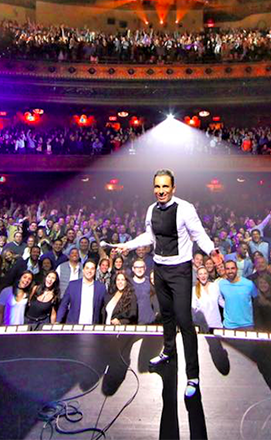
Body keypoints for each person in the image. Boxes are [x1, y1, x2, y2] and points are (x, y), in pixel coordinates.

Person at [112, 169, 221, 398]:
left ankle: (193, 375)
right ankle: (168, 352)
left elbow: (199, 234)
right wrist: (129, 245)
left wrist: (212, 250)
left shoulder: (185, 208)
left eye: (165, 187)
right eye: (157, 187)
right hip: (160, 270)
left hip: (180, 271)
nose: (161, 191)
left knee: (184, 320)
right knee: (167, 316)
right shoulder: (151, 210)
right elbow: (150, 238)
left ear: (173, 188)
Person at [57, 260, 106, 324]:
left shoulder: (101, 287)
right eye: (87, 268)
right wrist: (58, 321)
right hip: (73, 326)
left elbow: (104, 307)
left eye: (92, 269)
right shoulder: (73, 285)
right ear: (83, 270)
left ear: (95, 271)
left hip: (92, 327)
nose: (89, 271)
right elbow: (64, 304)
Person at [219, 260, 258, 331]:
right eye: (227, 269)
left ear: (237, 269)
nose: (230, 271)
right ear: (224, 270)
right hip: (229, 326)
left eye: (232, 268)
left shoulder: (248, 284)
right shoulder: (221, 284)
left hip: (247, 325)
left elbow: (258, 300)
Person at [191, 266, 222, 331]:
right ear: (197, 276)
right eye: (200, 274)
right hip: (202, 326)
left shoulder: (215, 286)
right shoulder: (194, 290)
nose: (203, 276)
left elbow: (222, 302)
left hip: (216, 324)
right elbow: (193, 309)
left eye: (205, 273)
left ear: (208, 275)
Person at [129, 259, 156, 325]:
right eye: (137, 267)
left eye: (141, 267)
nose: (139, 269)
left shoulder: (150, 282)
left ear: (145, 268)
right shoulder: (128, 284)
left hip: (150, 322)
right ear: (133, 269)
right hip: (134, 323)